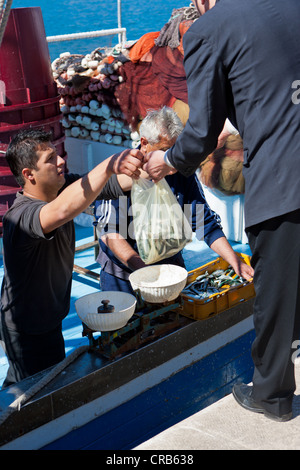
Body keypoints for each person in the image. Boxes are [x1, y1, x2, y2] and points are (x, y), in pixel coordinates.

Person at [143, 0, 300, 422]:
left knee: (275, 292)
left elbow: (200, 133)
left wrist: (170, 161)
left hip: (284, 179)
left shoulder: (213, 28)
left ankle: (273, 395)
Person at [0, 128, 143, 388]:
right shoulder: (19, 218)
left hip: (51, 319)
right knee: (29, 397)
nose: (61, 161)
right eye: (50, 158)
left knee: (45, 382)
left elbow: (111, 184)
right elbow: (63, 209)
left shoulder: (61, 188)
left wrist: (163, 162)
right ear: (28, 175)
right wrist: (110, 164)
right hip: (26, 330)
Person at [95, 107, 253, 294]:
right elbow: (110, 234)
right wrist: (145, 272)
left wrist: (233, 259)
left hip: (170, 270)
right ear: (144, 143)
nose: (170, 160)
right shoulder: (119, 172)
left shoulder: (180, 172)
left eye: (175, 150)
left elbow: (204, 222)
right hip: (122, 276)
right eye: (163, 150)